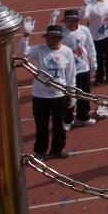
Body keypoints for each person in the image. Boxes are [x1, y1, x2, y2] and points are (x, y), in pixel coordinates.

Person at [18, 17, 75, 160]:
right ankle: (40, 151)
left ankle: (57, 149)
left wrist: (72, 94)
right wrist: (26, 35)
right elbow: (23, 52)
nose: (52, 40)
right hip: (40, 96)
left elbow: (70, 74)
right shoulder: (39, 50)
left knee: (58, 125)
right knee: (41, 125)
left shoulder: (67, 52)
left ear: (60, 38)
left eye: (56, 37)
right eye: (50, 37)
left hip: (59, 95)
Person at [49, 8, 96, 129]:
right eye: (68, 21)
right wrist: (52, 19)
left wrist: (93, 63)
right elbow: (51, 34)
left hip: (83, 67)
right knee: (69, 95)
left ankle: (83, 117)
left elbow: (90, 47)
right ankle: (67, 120)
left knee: (84, 94)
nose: (70, 23)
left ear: (77, 20)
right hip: (67, 70)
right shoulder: (62, 32)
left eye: (73, 20)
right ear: (64, 21)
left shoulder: (84, 30)